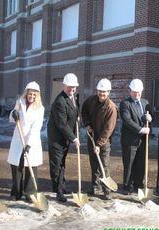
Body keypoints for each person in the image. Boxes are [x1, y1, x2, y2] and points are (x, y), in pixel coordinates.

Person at [7, 81, 45, 202]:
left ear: (37, 95)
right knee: (17, 166)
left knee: (31, 166)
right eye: (30, 94)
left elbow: (36, 127)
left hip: (31, 141)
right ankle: (16, 192)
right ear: (26, 93)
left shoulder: (40, 108)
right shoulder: (20, 103)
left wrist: (29, 144)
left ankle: (30, 192)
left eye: (34, 95)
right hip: (18, 139)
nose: (32, 97)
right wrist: (13, 114)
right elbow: (11, 119)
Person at [81, 78, 118, 200]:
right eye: (100, 91)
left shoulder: (111, 108)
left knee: (104, 164)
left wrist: (99, 144)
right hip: (92, 137)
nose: (102, 94)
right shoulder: (91, 101)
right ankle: (95, 186)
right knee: (94, 163)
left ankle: (106, 190)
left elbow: (108, 129)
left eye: (104, 91)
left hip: (104, 141)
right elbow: (84, 112)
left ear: (108, 92)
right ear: (97, 91)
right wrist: (87, 124)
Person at [47, 73, 80, 202]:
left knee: (62, 164)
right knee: (57, 165)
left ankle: (61, 186)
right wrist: (74, 138)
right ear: (64, 86)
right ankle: (58, 191)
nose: (72, 89)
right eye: (70, 86)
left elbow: (74, 110)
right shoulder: (60, 101)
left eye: (74, 86)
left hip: (65, 138)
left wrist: (76, 116)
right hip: (57, 138)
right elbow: (62, 124)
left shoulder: (74, 97)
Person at [119, 78, 152, 195]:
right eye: (134, 92)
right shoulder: (125, 104)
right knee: (129, 164)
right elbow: (127, 121)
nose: (137, 95)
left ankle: (138, 184)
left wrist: (150, 119)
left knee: (141, 163)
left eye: (139, 92)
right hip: (130, 140)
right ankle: (127, 186)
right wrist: (141, 129)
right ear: (130, 91)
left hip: (143, 141)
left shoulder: (145, 102)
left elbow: (148, 117)